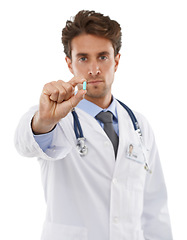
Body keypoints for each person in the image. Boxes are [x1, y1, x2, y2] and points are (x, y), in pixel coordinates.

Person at [15, 10, 173, 240]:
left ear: (116, 60)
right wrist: (44, 121)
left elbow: (154, 207)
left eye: (102, 57)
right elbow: (24, 143)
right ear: (69, 64)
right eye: (83, 58)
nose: (94, 69)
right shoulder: (57, 120)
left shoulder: (139, 126)